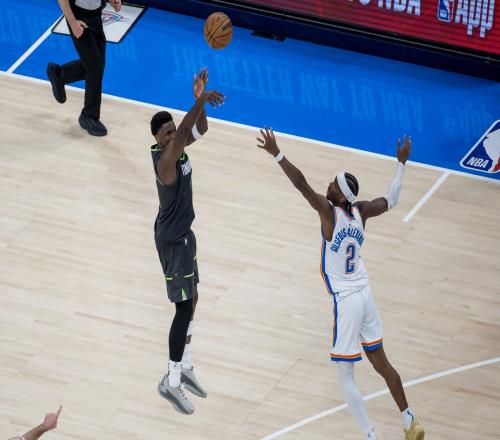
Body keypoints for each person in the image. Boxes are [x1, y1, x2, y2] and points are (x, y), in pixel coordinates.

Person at [256, 129, 425, 440]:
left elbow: (301, 185)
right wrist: (401, 163)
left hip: (347, 300)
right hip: (366, 295)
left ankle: (370, 435)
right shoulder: (361, 211)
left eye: (333, 185)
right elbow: (392, 199)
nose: (329, 185)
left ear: (341, 195)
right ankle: (409, 419)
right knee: (382, 363)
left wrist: (277, 154)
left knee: (345, 376)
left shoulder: (328, 213)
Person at [150, 68, 224, 415]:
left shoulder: (177, 148)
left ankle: (187, 363)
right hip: (171, 241)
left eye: (171, 130)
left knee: (193, 298)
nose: (171, 135)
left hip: (184, 235)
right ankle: (172, 379)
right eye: (165, 133)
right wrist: (200, 99)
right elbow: (183, 132)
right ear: (157, 138)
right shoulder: (165, 160)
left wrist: (199, 103)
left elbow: (199, 129)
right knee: (182, 309)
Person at [46, 0, 122, 136]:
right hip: (79, 18)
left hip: (96, 15)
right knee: (95, 68)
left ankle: (59, 75)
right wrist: (73, 23)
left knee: (97, 67)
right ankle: (88, 116)